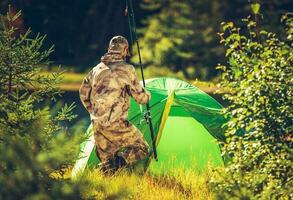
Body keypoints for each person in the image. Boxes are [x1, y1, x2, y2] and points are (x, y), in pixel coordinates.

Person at [79, 35, 150, 174]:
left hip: (97, 123)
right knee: (142, 148)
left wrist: (94, 112)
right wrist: (147, 95)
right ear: (125, 50)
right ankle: (110, 167)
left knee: (107, 161)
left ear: (109, 49)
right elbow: (141, 98)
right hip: (117, 123)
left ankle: (105, 177)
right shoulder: (127, 69)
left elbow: (83, 93)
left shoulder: (96, 69)